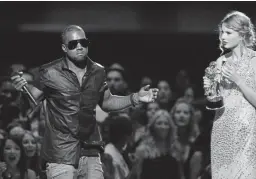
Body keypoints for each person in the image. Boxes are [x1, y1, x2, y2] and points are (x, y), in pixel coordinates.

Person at [11, 25, 159, 179]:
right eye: (73, 44)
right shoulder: (49, 72)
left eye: (83, 42)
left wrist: (135, 98)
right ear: (64, 48)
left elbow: (107, 102)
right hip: (61, 154)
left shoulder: (98, 71)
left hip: (91, 151)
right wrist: (21, 89)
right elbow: (31, 100)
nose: (79, 47)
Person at [203, 11, 256, 178]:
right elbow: (216, 102)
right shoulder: (220, 61)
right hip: (221, 130)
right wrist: (210, 90)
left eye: (228, 32)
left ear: (242, 34)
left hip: (246, 133)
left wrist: (237, 79)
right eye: (221, 32)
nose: (223, 37)